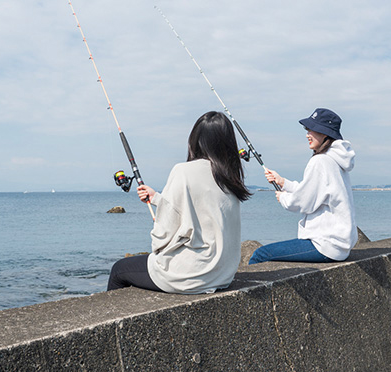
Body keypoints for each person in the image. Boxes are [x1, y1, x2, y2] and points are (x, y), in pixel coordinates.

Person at [107, 111, 250, 293]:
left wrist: (158, 247)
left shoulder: (183, 171)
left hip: (193, 275)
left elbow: (163, 235)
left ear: (195, 140)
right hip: (223, 274)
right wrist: (158, 199)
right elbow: (202, 212)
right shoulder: (230, 177)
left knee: (119, 270)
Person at [249, 108, 357, 264]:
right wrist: (283, 182)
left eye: (312, 130)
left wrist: (283, 197)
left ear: (325, 133)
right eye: (307, 130)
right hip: (339, 245)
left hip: (325, 245)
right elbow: (314, 192)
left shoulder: (319, 161)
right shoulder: (335, 160)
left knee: (260, 255)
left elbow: (303, 202)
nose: (307, 135)